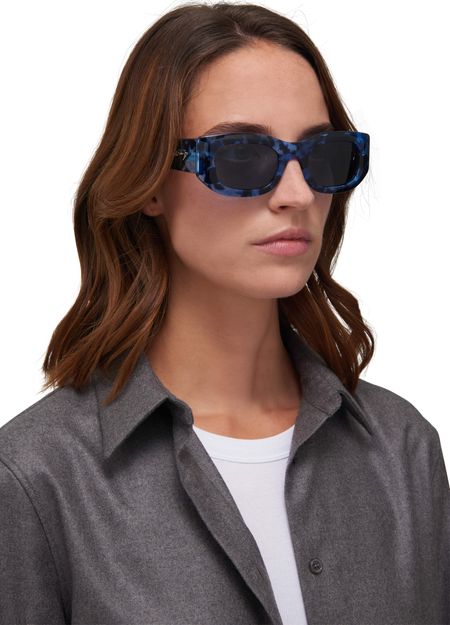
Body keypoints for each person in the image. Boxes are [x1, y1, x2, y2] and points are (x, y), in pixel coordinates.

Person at [0, 2, 448, 624]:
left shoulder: (403, 450)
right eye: (241, 156)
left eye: (322, 156)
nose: (297, 194)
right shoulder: (36, 476)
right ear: (150, 183)